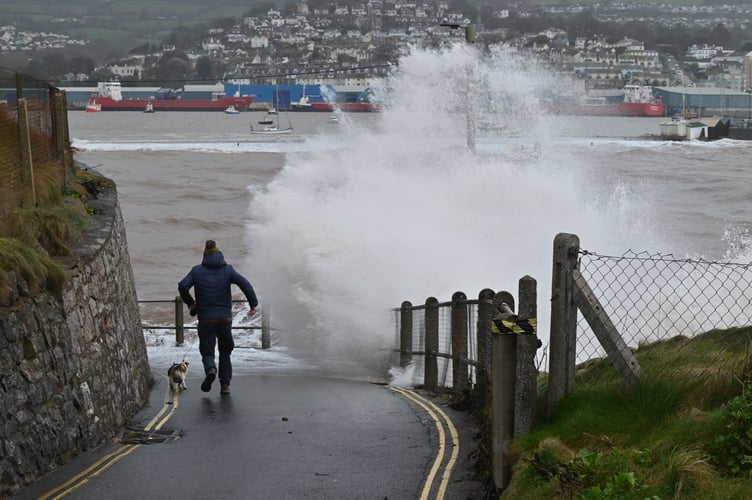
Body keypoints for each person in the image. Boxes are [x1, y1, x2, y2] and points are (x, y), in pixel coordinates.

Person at [178, 240, 258, 395]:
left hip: (206, 319)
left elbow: (182, 286)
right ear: (220, 254)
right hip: (224, 320)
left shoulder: (196, 271)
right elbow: (245, 284)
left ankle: (210, 369)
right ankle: (225, 385)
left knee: (207, 352)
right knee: (225, 352)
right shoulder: (228, 270)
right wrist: (253, 304)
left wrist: (191, 304)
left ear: (204, 256)